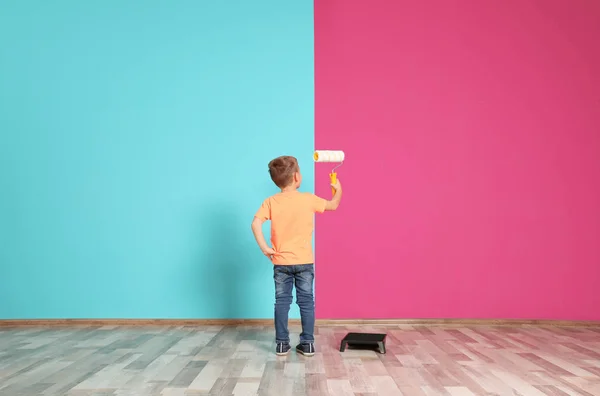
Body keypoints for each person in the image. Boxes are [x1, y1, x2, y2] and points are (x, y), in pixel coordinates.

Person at [251, 155, 342, 356]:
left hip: (281, 262)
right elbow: (333, 205)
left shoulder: (271, 201)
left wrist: (265, 248)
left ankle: (282, 344)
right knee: (306, 301)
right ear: (297, 177)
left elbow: (255, 223)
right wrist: (338, 190)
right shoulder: (308, 199)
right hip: (304, 262)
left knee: (282, 301)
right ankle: (307, 343)